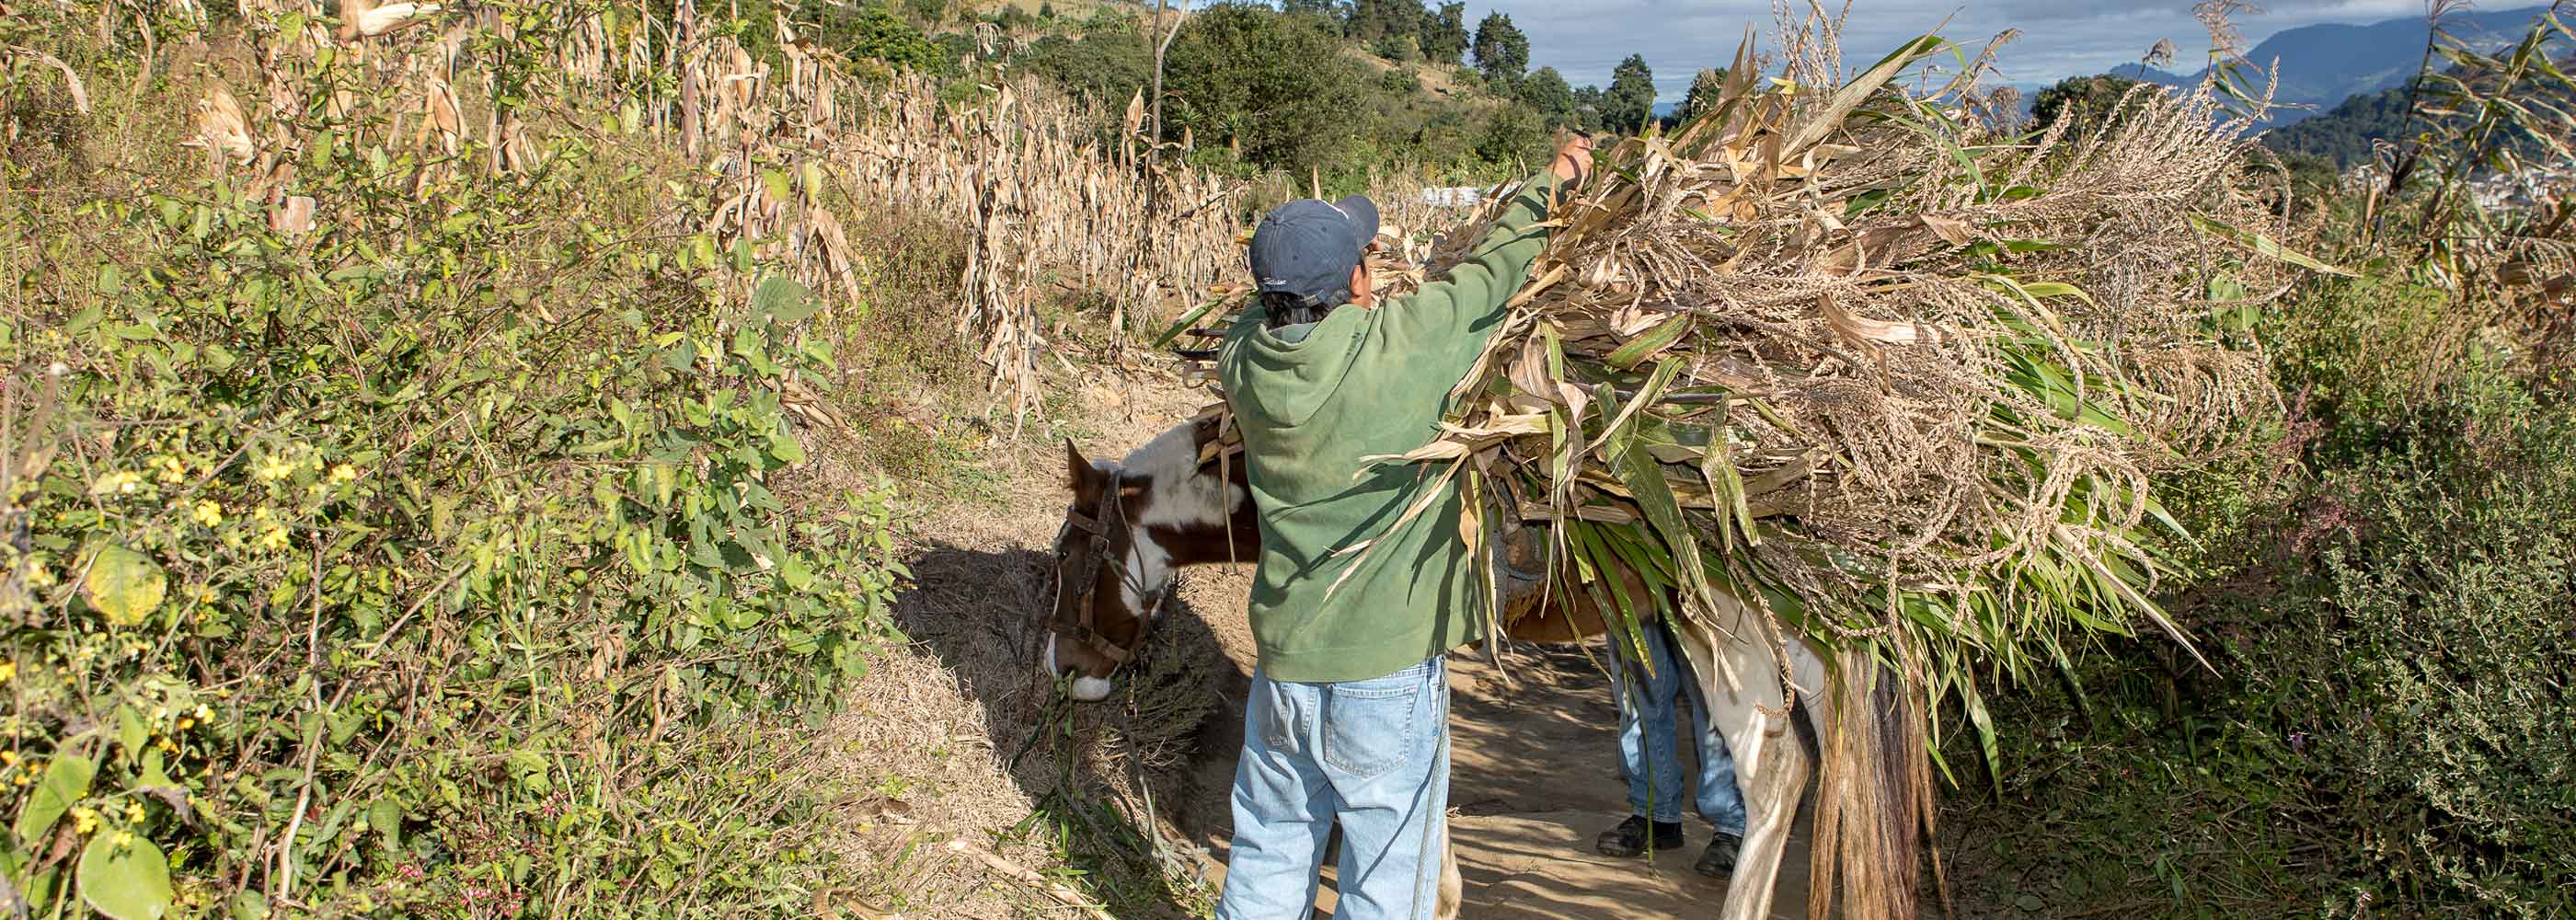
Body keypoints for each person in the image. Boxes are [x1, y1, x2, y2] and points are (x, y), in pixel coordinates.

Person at [1211, 132, 1593, 920]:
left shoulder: (1242, 363)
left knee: (1268, 852)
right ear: (1356, 280)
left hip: (1283, 668)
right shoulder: (1399, 347)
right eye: (1365, 256)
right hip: (1382, 676)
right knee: (1388, 882)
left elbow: (1262, 313)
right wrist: (1549, 184)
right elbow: (1495, 273)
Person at [1594, 617, 1745, 877]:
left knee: (1713, 702)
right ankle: (1655, 815)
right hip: (1633, 585)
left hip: (1700, 589)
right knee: (1638, 700)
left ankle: (1732, 827)